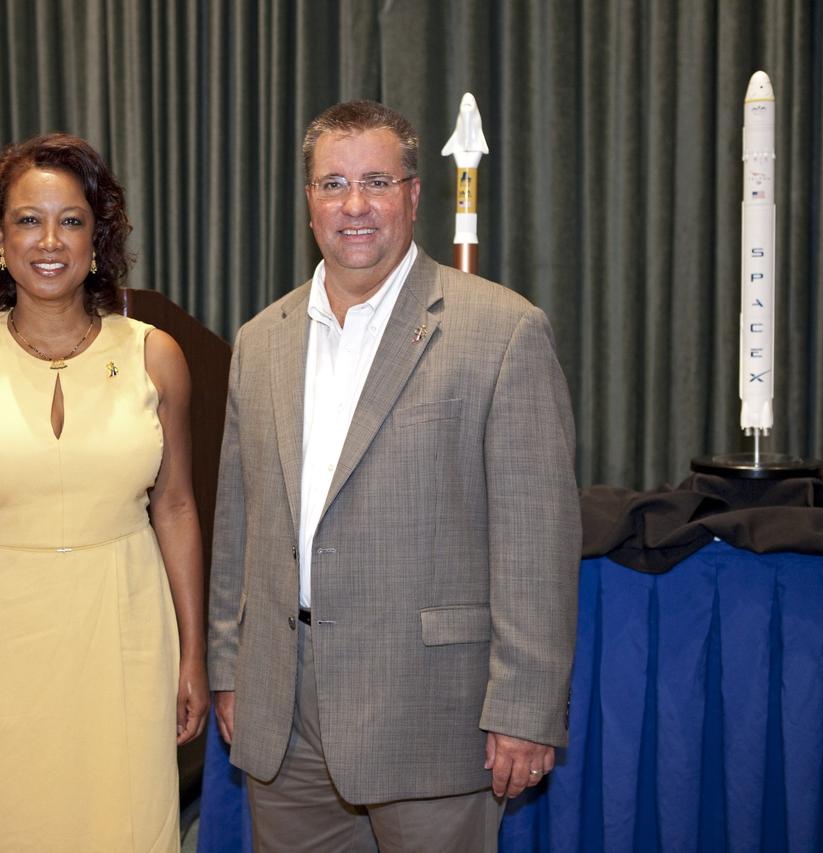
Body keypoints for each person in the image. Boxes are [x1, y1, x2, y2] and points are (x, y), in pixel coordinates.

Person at [208, 101, 580, 851]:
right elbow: (238, 523)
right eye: (333, 183)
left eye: (376, 181)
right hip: (286, 707)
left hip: (434, 710)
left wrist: (525, 707)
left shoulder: (503, 332)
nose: (354, 205)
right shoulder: (259, 341)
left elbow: (536, 539)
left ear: (414, 195)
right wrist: (230, 664)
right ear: (308, 201)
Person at [0, 133, 208, 852]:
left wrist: (194, 653)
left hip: (128, 632)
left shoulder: (154, 356)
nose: (50, 240)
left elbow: (175, 509)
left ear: (98, 239)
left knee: (128, 825)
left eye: (71, 220)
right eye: (27, 219)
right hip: (1, 642)